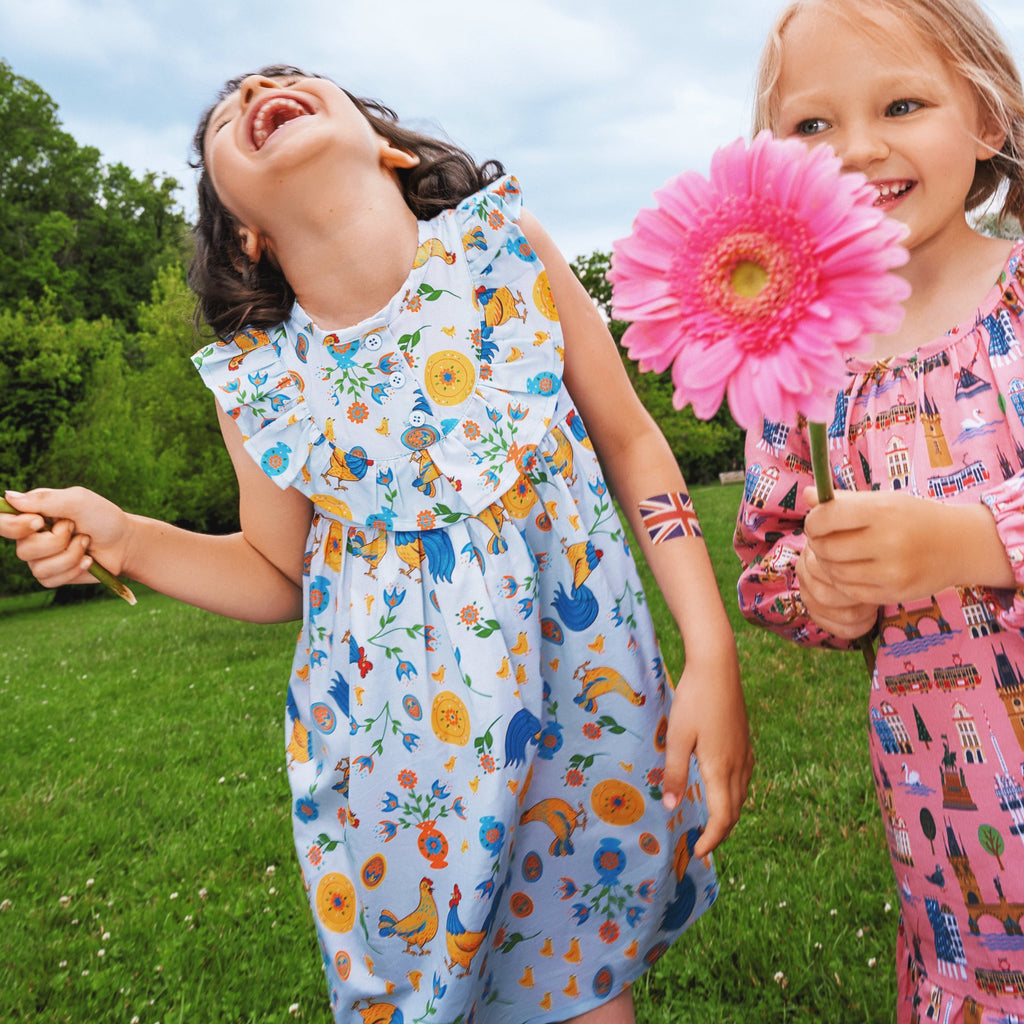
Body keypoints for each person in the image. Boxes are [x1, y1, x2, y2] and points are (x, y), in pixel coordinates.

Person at [1, 67, 752, 1024]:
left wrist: (711, 648)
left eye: (281, 80)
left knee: (583, 992)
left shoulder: (507, 255)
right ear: (246, 233)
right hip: (401, 778)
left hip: (583, 722)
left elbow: (633, 443)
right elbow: (275, 575)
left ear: (387, 148)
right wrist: (129, 537)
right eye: (224, 116)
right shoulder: (264, 381)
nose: (255, 91)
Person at [734, 1, 1024, 1020]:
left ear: (986, 117)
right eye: (812, 126)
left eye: (902, 103)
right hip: (953, 839)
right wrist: (821, 591)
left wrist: (978, 538)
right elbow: (769, 555)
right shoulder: (800, 361)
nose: (859, 149)